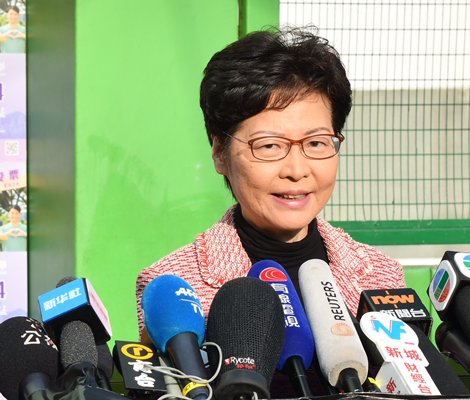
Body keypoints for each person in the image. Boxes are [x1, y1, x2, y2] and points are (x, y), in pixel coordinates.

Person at [135, 27, 405, 395]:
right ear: (220, 153)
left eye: (316, 143)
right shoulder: (174, 283)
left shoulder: (380, 274)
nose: (297, 169)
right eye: (269, 146)